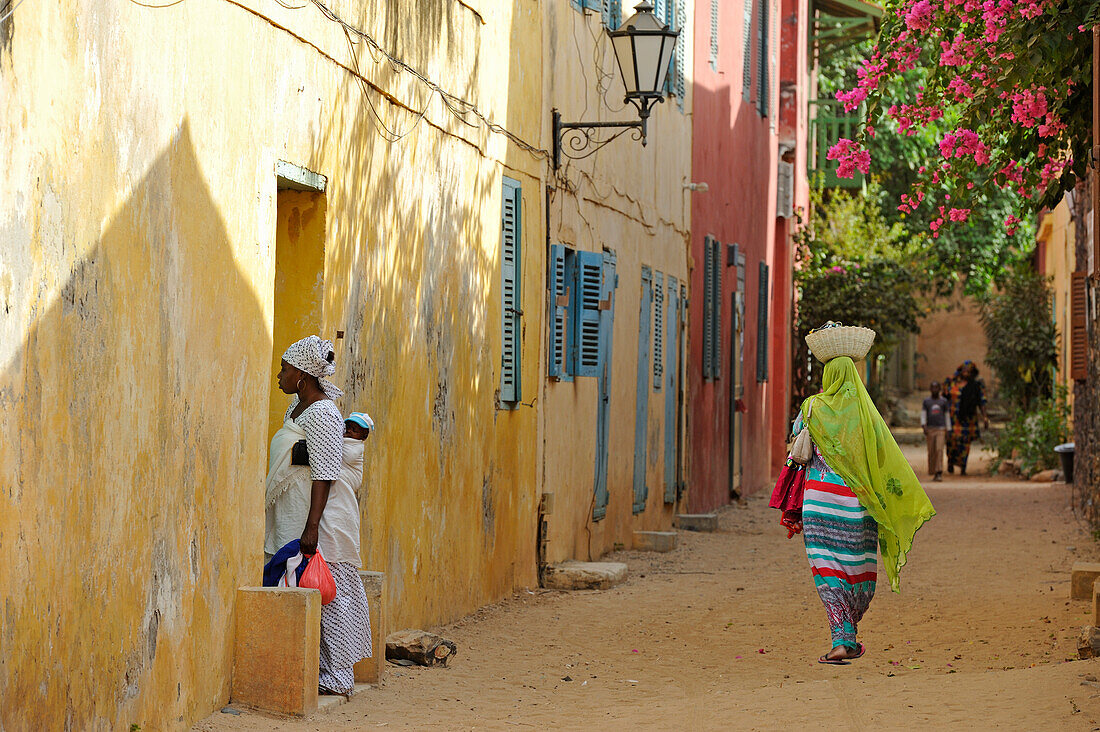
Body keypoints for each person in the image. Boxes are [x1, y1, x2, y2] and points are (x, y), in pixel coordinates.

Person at [790, 328, 935, 664]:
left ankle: (843, 637)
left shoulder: (811, 407)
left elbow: (796, 447)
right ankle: (847, 633)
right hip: (857, 507)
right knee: (858, 571)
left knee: (826, 570)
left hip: (818, 506)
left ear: (828, 375)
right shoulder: (865, 414)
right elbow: (883, 459)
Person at [264, 335, 372, 696]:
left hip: (320, 519)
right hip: (296, 510)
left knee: (327, 591)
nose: (279, 374)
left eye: (285, 369)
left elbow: (326, 470)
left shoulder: (324, 412)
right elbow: (304, 455)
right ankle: (310, 666)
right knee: (303, 588)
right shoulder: (297, 407)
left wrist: (312, 528)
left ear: (303, 376)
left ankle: (337, 675)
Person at [946, 363, 989, 475]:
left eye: (969, 371)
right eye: (964, 371)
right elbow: (944, 397)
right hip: (953, 418)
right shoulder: (952, 383)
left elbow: (982, 402)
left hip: (968, 420)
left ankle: (963, 466)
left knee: (965, 443)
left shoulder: (976, 385)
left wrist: (985, 417)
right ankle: (950, 462)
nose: (966, 373)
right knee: (951, 442)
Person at [921, 382, 951, 481]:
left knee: (939, 449)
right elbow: (924, 414)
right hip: (930, 428)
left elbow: (947, 415)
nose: (934, 390)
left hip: (941, 429)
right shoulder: (927, 402)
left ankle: (939, 471)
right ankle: (933, 470)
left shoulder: (943, 401)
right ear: (930, 389)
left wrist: (948, 429)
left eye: (936, 388)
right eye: (932, 387)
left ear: (939, 389)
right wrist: (924, 425)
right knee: (931, 451)